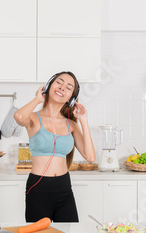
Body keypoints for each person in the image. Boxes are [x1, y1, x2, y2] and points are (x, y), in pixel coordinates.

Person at [14, 71, 95, 222]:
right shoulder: (33, 118)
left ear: (71, 98)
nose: (62, 87)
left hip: (64, 188)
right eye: (59, 82)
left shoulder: (71, 124)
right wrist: (37, 99)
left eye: (69, 87)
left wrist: (83, 120)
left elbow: (90, 156)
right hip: (38, 187)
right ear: (49, 85)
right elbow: (18, 117)